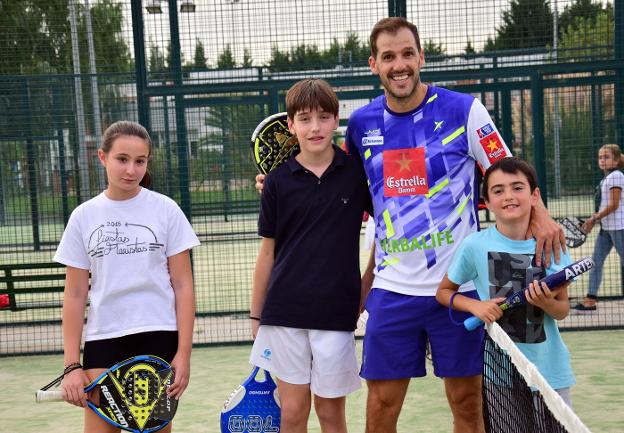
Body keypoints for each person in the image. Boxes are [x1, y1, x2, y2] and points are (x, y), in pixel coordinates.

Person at [255, 18, 564, 433]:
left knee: (468, 404)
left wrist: (541, 214)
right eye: (388, 57)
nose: (399, 65)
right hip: (392, 291)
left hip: (459, 289)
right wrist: (275, 183)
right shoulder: (362, 124)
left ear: (421, 57)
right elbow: (341, 188)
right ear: (373, 64)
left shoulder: (465, 110)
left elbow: (504, 169)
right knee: (380, 406)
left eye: (406, 54)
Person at [56, 121, 200, 433]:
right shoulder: (83, 216)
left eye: (140, 161)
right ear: (102, 157)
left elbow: (183, 285)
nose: (131, 170)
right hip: (104, 339)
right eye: (122, 159)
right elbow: (75, 293)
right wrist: (71, 365)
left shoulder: (166, 210)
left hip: (159, 337)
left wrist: (183, 354)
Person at [249, 79, 372, 433]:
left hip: (337, 313)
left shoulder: (356, 173)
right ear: (290, 125)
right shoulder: (275, 182)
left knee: (332, 416)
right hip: (283, 313)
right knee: (292, 414)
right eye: (304, 118)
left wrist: (366, 285)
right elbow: (267, 252)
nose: (314, 127)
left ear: (336, 120)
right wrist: (257, 316)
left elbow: (387, 231)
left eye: (323, 117)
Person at [436, 156, 575, 406]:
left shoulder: (553, 245)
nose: (509, 196)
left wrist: (545, 303)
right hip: (500, 376)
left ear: (534, 196)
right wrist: (475, 306)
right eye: (498, 191)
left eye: (517, 188)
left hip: (551, 374)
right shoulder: (474, 245)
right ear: (487, 203)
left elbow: (562, 310)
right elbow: (444, 292)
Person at [574, 143, 624, 311]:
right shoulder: (607, 178)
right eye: (600, 157)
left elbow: (614, 205)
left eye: (607, 157)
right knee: (595, 262)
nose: (602, 160)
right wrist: (594, 221)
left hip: (619, 227)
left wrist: (593, 218)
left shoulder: (616, 176)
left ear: (616, 161)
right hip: (607, 228)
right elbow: (604, 205)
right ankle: (591, 299)